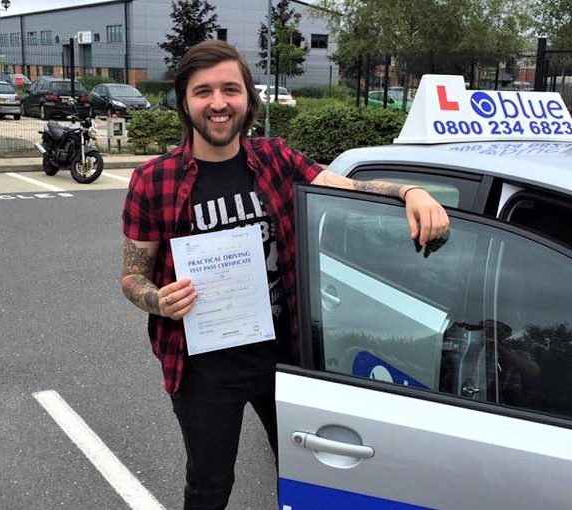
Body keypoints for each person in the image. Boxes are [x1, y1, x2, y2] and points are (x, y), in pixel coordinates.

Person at [120, 39, 449, 510]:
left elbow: (351, 187)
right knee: (209, 486)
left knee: (309, 475)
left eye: (230, 89)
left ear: (248, 98)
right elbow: (132, 276)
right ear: (184, 100)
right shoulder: (154, 180)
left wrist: (410, 192)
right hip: (204, 368)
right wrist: (158, 300)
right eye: (203, 91)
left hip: (287, 357)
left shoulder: (276, 160)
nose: (218, 103)